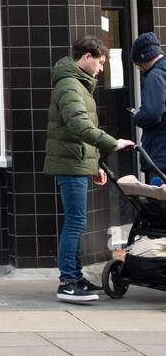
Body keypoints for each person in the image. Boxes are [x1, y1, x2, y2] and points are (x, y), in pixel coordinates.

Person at [43, 36, 135, 304]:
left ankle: (76, 276)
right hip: (70, 164)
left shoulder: (77, 84)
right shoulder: (70, 85)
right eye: (100, 62)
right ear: (86, 57)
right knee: (75, 223)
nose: (101, 68)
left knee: (76, 221)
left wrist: (94, 165)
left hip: (76, 161)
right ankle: (68, 283)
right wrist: (114, 143)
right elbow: (80, 127)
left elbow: (78, 132)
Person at [132, 31, 166, 176]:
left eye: (139, 65)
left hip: (161, 154)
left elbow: (152, 113)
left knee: (159, 197)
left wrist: (138, 116)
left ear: (143, 58)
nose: (139, 69)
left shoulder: (155, 75)